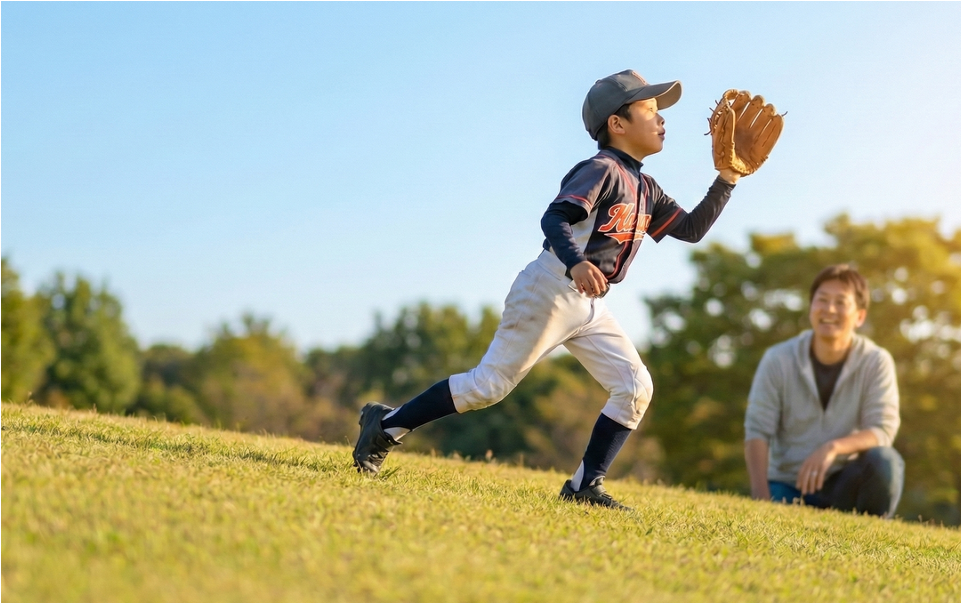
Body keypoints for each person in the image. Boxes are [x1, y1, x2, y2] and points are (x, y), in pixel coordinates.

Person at [353, 69, 745, 509]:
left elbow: (690, 229)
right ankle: (385, 427)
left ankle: (584, 486)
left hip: (589, 302)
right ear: (617, 124)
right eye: (650, 109)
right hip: (552, 286)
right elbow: (554, 217)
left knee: (634, 386)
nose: (661, 119)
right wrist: (577, 262)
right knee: (488, 386)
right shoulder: (601, 169)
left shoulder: (645, 186)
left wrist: (727, 178)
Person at [744, 264, 904, 518]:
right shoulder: (777, 359)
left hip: (844, 483)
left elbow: (882, 429)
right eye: (822, 300)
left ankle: (866, 539)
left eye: (841, 302)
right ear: (811, 307)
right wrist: (760, 500)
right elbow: (757, 431)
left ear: (859, 316)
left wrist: (833, 448)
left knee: (886, 462)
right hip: (787, 485)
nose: (829, 309)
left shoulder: (876, 361)